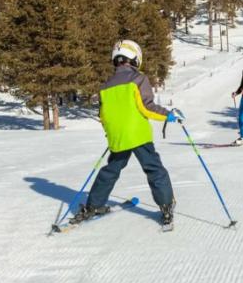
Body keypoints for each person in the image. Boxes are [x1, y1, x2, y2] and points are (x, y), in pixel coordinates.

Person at [71, 39, 182, 228]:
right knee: (154, 169)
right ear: (135, 57)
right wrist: (169, 115)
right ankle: (165, 206)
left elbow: (103, 116)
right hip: (138, 135)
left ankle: (94, 205)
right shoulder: (138, 79)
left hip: (118, 136)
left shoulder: (105, 87)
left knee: (111, 170)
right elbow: (147, 107)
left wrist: (112, 133)